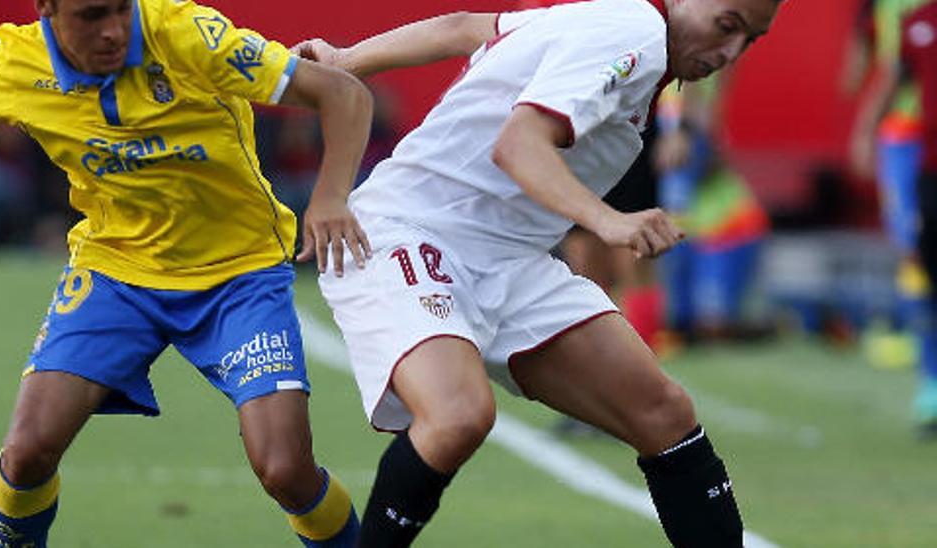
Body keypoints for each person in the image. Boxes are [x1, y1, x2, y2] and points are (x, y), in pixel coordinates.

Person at [0, 0, 374, 546]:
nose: (112, 29)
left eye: (121, 8)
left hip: (239, 273)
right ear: (45, 8)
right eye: (92, 14)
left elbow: (343, 94)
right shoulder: (9, 64)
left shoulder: (185, 33)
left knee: (285, 469)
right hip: (116, 272)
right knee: (26, 453)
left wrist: (328, 197)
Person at [295, 0, 781, 545]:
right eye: (727, 26)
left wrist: (347, 58)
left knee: (663, 415)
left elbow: (465, 27)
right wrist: (608, 221)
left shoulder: (615, 24)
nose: (731, 52)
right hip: (413, 232)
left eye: (750, 40)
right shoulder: (638, 32)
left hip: (510, 259)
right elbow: (518, 144)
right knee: (457, 417)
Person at [853, 0, 937, 440]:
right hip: (910, 142)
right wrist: (867, 129)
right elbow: (877, 73)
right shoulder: (910, 18)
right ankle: (931, 382)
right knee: (917, 256)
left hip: (915, 142)